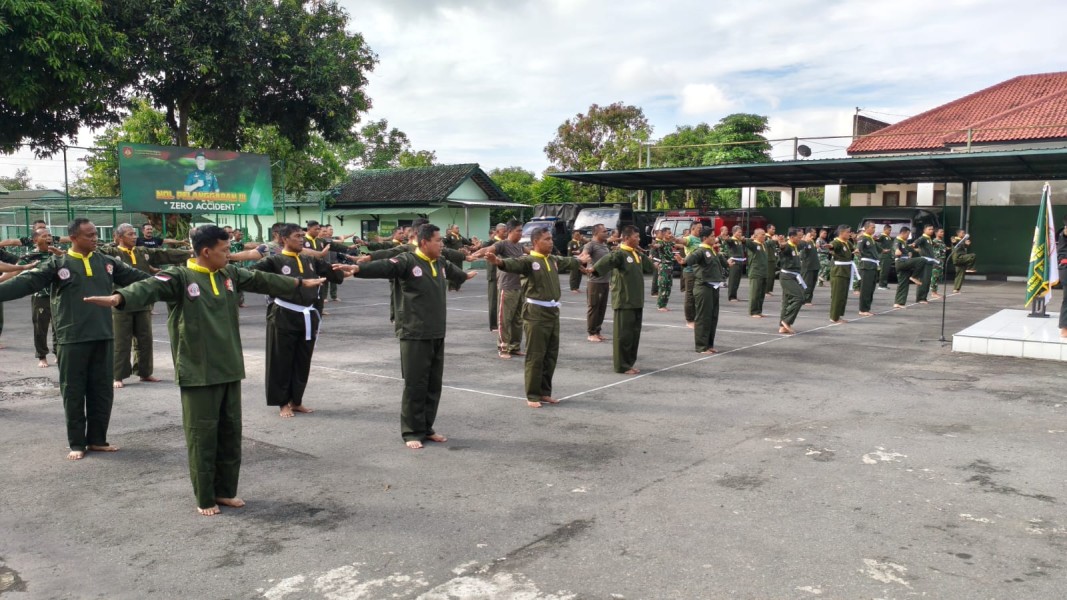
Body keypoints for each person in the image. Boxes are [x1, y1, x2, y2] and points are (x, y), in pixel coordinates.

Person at [84, 224, 326, 515]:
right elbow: (149, 286)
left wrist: (299, 284)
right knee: (202, 436)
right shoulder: (179, 276)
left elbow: (261, 279)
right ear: (206, 251)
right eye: (225, 251)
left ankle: (225, 491)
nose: (229, 255)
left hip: (229, 366)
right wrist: (118, 298)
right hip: (197, 369)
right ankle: (205, 497)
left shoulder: (228, 274)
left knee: (230, 432)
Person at [0, 218, 151, 460]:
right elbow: (24, 283)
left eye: (95, 234)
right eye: (90, 235)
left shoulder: (107, 262)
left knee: (102, 391)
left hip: (103, 335)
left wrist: (173, 283)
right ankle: (77, 443)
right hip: (71, 338)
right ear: (73, 238)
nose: (95, 239)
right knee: (73, 391)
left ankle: (98, 440)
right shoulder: (57, 264)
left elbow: (141, 279)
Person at [335, 224, 476, 448]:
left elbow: (456, 272)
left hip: (437, 331)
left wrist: (465, 275)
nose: (441, 244)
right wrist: (359, 270)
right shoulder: (407, 260)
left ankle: (427, 427)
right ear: (423, 242)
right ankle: (411, 431)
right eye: (438, 240)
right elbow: (384, 267)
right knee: (415, 384)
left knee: (433, 384)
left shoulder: (439, 262)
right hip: (414, 332)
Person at [484, 227, 587, 407]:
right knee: (535, 355)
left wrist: (580, 260)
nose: (551, 242)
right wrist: (497, 261)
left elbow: (568, 261)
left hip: (553, 312)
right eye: (546, 239)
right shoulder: (529, 260)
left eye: (551, 239)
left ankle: (545, 392)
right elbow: (511, 264)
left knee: (550, 354)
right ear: (535, 243)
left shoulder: (552, 260)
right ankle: (532, 395)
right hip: (536, 313)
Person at [251, 223, 346, 417]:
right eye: (297, 236)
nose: (301, 239)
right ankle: (282, 402)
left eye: (302, 236)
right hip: (283, 315)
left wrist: (344, 269)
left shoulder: (309, 260)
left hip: (307, 316)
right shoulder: (274, 261)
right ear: (284, 239)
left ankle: (296, 400)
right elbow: (251, 275)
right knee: (281, 360)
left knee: (303, 360)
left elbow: (333, 274)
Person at [98, 223, 190, 388]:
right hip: (121, 301)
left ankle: (145, 372)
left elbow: (164, 254)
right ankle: (118, 375)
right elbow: (95, 251)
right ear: (119, 237)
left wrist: (189, 253)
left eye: (134, 234)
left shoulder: (142, 251)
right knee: (121, 340)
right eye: (129, 234)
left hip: (143, 301)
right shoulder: (111, 252)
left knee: (145, 339)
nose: (134, 237)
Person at [590, 225, 655, 374]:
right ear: (626, 238)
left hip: (636, 300)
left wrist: (655, 264)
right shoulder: (620, 254)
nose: (638, 239)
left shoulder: (636, 254)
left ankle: (629, 363)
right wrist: (593, 269)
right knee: (623, 335)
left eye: (638, 237)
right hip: (624, 300)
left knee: (633, 334)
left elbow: (650, 267)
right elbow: (607, 260)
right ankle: (621, 365)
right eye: (636, 237)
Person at [18, 228, 60, 366]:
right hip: (40, 297)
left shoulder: (57, 254)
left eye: (49, 235)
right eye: (44, 236)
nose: (49, 237)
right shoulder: (29, 257)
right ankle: (42, 356)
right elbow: (17, 271)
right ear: (35, 240)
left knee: (59, 326)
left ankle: (59, 353)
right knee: (40, 327)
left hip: (58, 296)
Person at [685, 226, 728, 353]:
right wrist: (683, 261)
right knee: (703, 317)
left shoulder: (712, 250)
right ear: (704, 238)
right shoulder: (700, 250)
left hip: (713, 287)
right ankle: (701, 346)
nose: (714, 238)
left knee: (712, 317)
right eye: (712, 236)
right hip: (703, 288)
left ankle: (709, 344)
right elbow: (690, 259)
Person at [490, 222, 525, 358]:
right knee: (505, 319)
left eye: (521, 231)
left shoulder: (520, 246)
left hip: (519, 286)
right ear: (509, 231)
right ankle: (503, 347)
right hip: (507, 286)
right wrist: (474, 254)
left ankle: (514, 346)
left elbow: (531, 253)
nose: (521, 233)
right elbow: (490, 248)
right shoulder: (503, 244)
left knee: (518, 319)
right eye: (518, 231)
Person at [582, 224, 612, 343]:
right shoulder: (590, 245)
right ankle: (591, 333)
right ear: (596, 233)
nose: (606, 233)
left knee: (602, 308)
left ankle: (598, 331)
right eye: (604, 231)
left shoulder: (604, 245)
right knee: (594, 307)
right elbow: (584, 254)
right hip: (595, 282)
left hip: (605, 281)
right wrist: (586, 259)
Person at [777, 227, 807, 334]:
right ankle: (786, 320)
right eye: (799, 237)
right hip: (787, 276)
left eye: (801, 236)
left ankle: (783, 326)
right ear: (792, 237)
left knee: (786, 301)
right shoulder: (788, 246)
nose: (800, 238)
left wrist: (807, 239)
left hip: (794, 276)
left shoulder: (796, 245)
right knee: (799, 297)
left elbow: (804, 243)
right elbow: (783, 248)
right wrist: (781, 244)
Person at [892, 226, 924, 308]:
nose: (908, 236)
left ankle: (899, 303)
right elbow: (895, 246)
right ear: (903, 233)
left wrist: (915, 250)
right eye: (908, 234)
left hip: (904, 263)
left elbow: (909, 248)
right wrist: (897, 250)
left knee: (903, 283)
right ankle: (914, 277)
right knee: (921, 260)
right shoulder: (897, 240)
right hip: (901, 262)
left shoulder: (903, 242)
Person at [676, 224, 702, 325]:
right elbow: (681, 241)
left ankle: (696, 317)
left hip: (699, 271)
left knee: (698, 295)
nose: (700, 230)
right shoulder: (689, 239)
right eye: (699, 228)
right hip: (690, 270)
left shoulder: (700, 239)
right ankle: (689, 319)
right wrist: (674, 239)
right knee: (690, 295)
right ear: (693, 229)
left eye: (701, 228)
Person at [828, 224, 854, 324]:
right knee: (837, 295)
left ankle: (838, 315)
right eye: (847, 232)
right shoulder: (837, 242)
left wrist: (855, 250)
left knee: (843, 296)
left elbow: (852, 249)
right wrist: (830, 247)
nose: (849, 234)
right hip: (838, 272)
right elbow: (833, 246)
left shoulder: (847, 243)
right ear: (841, 233)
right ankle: (834, 317)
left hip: (845, 271)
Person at [741, 228, 768, 318]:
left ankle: (759, 310)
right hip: (756, 272)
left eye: (764, 234)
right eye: (762, 234)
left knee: (761, 294)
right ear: (756, 236)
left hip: (764, 272)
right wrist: (743, 239)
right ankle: (753, 311)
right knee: (755, 293)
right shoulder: (754, 244)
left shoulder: (763, 244)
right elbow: (746, 242)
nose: (764, 236)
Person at [856, 221, 879, 316]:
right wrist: (858, 252)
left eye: (874, 227)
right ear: (866, 228)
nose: (874, 229)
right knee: (865, 288)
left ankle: (867, 308)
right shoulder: (863, 238)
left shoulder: (871, 238)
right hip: (866, 265)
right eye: (872, 227)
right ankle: (863, 309)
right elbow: (859, 249)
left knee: (871, 288)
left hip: (873, 265)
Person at [485, 223, 506, 330]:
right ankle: (493, 325)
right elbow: (482, 248)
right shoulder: (490, 242)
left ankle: (502, 323)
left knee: (503, 301)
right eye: (504, 231)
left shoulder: (506, 243)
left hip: (504, 275)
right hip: (494, 275)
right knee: (493, 301)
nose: (506, 233)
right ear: (497, 232)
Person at [650, 227, 676, 312]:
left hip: (670, 266)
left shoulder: (670, 243)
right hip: (664, 266)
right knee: (663, 286)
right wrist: (654, 245)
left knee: (668, 287)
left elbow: (679, 245)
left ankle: (664, 304)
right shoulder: (662, 243)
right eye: (669, 233)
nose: (670, 234)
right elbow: (657, 246)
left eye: (670, 232)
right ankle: (660, 305)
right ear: (664, 234)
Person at [913, 225, 938, 304]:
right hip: (925, 262)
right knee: (923, 280)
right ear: (924, 230)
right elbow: (914, 244)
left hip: (930, 262)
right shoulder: (923, 238)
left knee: (927, 281)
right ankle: (920, 298)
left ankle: (924, 297)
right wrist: (917, 250)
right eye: (929, 229)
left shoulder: (929, 239)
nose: (931, 230)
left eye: (932, 229)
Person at [723, 226, 746, 303]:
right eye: (739, 232)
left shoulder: (739, 241)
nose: (740, 234)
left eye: (741, 232)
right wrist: (726, 239)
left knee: (737, 280)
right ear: (734, 232)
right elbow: (729, 241)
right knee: (733, 280)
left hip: (740, 262)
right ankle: (731, 296)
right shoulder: (732, 240)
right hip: (734, 262)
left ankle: (734, 295)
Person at [800, 228, 820, 305]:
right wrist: (805, 241)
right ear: (809, 233)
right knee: (807, 284)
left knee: (812, 284)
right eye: (814, 232)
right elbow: (802, 255)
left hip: (814, 266)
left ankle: (809, 299)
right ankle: (805, 299)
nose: (815, 233)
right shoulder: (805, 242)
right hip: (808, 267)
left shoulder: (812, 242)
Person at [930, 228, 948, 299]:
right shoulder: (934, 241)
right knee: (934, 276)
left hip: (941, 261)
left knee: (938, 276)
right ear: (936, 233)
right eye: (941, 232)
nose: (942, 233)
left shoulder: (942, 242)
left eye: (943, 232)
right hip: (936, 261)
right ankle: (933, 292)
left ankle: (935, 291)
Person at [567, 229, 585, 294]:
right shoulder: (571, 243)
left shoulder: (580, 242)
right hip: (574, 259)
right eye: (576, 235)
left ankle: (577, 287)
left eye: (578, 235)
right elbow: (569, 253)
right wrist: (570, 260)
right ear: (573, 235)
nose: (578, 236)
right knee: (574, 274)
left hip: (580, 260)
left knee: (579, 274)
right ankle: (573, 288)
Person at [876, 224, 894, 289]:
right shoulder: (882, 236)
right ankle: (881, 285)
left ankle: (884, 284)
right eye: (889, 230)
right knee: (883, 271)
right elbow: (876, 239)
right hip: (884, 256)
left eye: (890, 230)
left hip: (888, 256)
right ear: (885, 230)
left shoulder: (888, 237)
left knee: (886, 271)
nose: (890, 231)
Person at [763, 224, 779, 296]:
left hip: (773, 258)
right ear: (768, 229)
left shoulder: (773, 237)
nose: (774, 231)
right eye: (772, 229)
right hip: (768, 258)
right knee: (768, 275)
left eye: (774, 229)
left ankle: (769, 290)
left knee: (772, 276)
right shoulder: (765, 237)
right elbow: (765, 245)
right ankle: (765, 290)